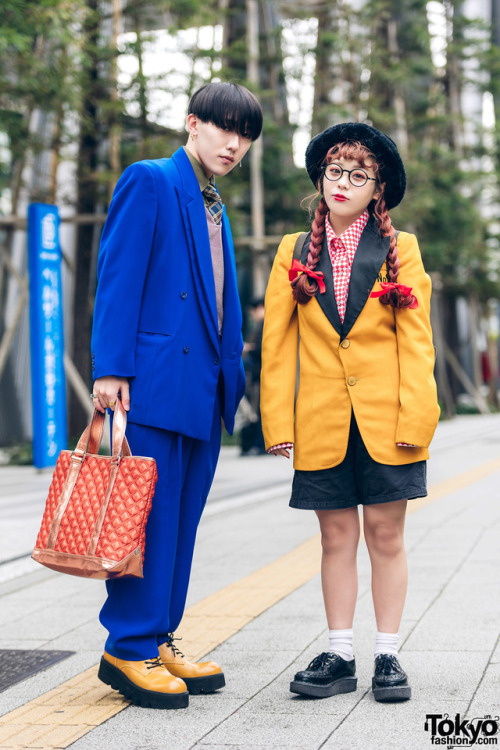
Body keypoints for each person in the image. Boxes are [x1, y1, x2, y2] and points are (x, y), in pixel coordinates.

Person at [90, 81, 263, 710]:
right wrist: (111, 368)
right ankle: (127, 648)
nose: (234, 143)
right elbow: (119, 273)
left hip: (204, 387)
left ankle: (159, 637)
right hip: (153, 385)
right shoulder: (151, 179)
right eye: (223, 127)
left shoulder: (213, 200)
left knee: (181, 522)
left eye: (245, 135)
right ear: (192, 123)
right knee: (147, 519)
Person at [260, 123, 440, 703]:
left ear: (376, 189)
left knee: (385, 535)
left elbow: (416, 343)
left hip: (388, 419)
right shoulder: (293, 250)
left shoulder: (400, 248)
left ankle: (388, 652)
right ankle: (340, 653)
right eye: (335, 172)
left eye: (358, 176)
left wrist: (418, 420)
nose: (343, 183)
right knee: (335, 537)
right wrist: (277, 424)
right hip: (320, 418)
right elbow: (277, 344)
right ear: (321, 178)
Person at [241, 297, 266, 455]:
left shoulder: (265, 324)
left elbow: (262, 349)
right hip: (259, 374)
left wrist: (249, 348)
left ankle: (261, 444)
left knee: (259, 411)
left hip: (262, 373)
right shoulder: (260, 325)